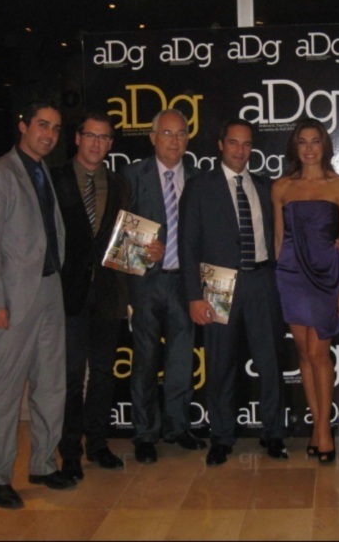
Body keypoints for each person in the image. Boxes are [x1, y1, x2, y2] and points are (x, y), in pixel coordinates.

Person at [0, 100, 74, 509]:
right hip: (12, 299)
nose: (48, 134)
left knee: (51, 386)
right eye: (42, 125)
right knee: (4, 391)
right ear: (22, 126)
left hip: (49, 291)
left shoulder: (41, 170)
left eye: (55, 128)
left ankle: (43, 464)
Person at [179, 118, 289, 466]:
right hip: (218, 284)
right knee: (221, 364)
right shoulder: (199, 187)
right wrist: (194, 296)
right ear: (220, 145)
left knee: (270, 363)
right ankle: (222, 437)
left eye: (246, 144)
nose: (241, 150)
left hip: (261, 281)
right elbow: (188, 245)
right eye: (234, 143)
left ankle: (273, 434)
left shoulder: (264, 185)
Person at [51, 111, 140, 480]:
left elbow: (125, 241)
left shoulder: (120, 185)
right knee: (71, 376)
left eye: (104, 138)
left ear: (110, 144)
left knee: (103, 373)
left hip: (107, 294)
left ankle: (98, 444)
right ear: (77, 137)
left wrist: (142, 253)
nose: (96, 144)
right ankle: (69, 450)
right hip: (64, 294)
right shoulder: (52, 180)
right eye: (91, 136)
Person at [122, 108, 205, 464]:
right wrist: (143, 248)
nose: (175, 140)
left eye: (181, 133)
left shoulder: (200, 179)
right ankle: (144, 434)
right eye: (167, 134)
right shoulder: (131, 176)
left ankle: (176, 427)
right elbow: (116, 232)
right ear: (153, 137)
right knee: (144, 362)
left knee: (180, 362)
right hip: (145, 284)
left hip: (184, 285)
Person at [271, 118, 339, 464]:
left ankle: (323, 428)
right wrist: (279, 276)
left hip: (326, 275)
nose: (308, 148)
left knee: (320, 353)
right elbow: (278, 240)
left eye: (315, 141)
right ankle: (319, 426)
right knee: (304, 355)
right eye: (302, 142)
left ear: (325, 146)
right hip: (291, 275)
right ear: (295, 147)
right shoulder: (280, 187)